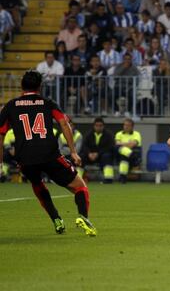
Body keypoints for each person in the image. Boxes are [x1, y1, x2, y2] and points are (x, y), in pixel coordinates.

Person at [0, 70, 97, 235]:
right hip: (49, 154)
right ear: (40, 86)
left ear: (22, 86)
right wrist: (73, 152)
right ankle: (83, 217)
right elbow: (63, 124)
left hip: (25, 158)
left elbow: (1, 133)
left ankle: (57, 220)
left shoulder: (10, 105)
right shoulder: (47, 103)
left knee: (37, 184)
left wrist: (0, 161)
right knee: (80, 187)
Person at [80, 117, 115, 184]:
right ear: (94, 126)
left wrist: (98, 153)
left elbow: (110, 147)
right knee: (81, 156)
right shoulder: (88, 134)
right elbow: (84, 146)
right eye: (97, 125)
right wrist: (89, 153)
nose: (98, 127)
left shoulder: (108, 135)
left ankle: (108, 178)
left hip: (102, 156)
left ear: (103, 126)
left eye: (100, 125)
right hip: (90, 156)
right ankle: (78, 178)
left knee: (107, 156)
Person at [115, 118, 142, 184]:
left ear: (132, 126)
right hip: (125, 156)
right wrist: (128, 143)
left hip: (134, 158)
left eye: (128, 125)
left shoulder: (137, 134)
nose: (126, 127)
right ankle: (123, 178)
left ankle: (122, 177)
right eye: (125, 125)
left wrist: (122, 144)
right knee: (123, 156)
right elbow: (117, 144)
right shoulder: (119, 134)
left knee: (122, 155)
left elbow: (132, 145)